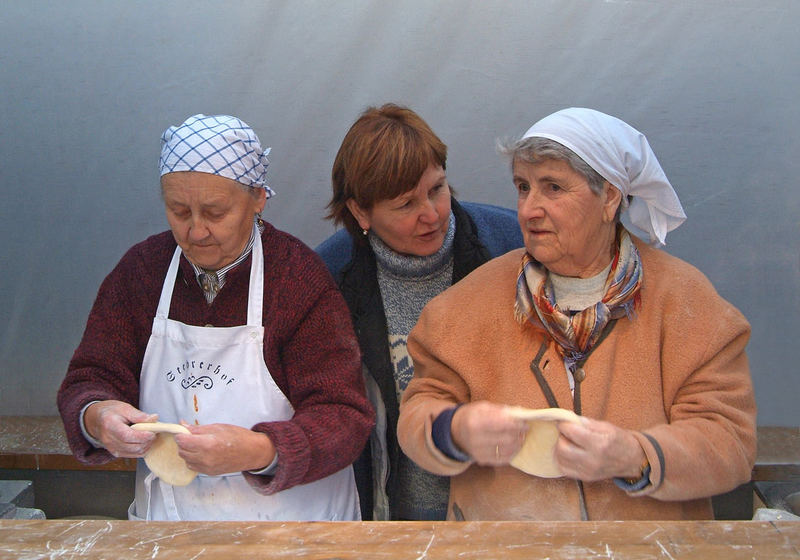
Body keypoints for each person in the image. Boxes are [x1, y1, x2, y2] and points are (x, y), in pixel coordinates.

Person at [397, 107, 757, 521]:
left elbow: (730, 442)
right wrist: (454, 429)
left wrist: (635, 456)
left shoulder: (686, 304)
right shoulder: (464, 308)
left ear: (609, 197)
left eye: (552, 188)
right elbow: (418, 412)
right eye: (523, 187)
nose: (529, 209)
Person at [57, 114, 373, 521]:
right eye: (179, 211)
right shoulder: (141, 274)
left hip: (294, 534)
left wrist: (261, 451)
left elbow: (344, 417)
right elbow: (89, 378)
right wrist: (97, 416)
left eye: (215, 211)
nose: (196, 231)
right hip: (171, 532)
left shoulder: (297, 280)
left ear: (258, 198)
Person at [316, 103, 523, 520]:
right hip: (392, 518)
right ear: (360, 212)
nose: (431, 215)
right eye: (405, 204)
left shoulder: (509, 247)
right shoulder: (330, 277)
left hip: (495, 514)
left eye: (437, 189)